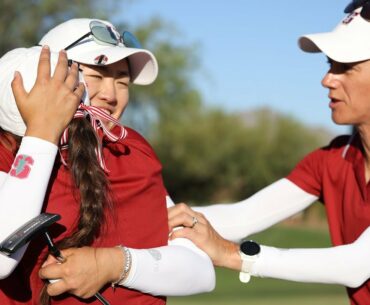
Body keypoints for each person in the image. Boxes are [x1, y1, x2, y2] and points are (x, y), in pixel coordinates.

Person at [0, 18, 215, 305]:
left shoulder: (130, 149)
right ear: (49, 74)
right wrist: (42, 133)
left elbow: (200, 272)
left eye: (122, 82)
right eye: (97, 76)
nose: (111, 95)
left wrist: (113, 264)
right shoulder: (8, 148)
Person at [168, 2, 370, 305]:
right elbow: (241, 218)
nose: (327, 79)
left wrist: (233, 255)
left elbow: (356, 264)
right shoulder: (331, 160)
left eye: (346, 67)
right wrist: (146, 219)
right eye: (330, 65)